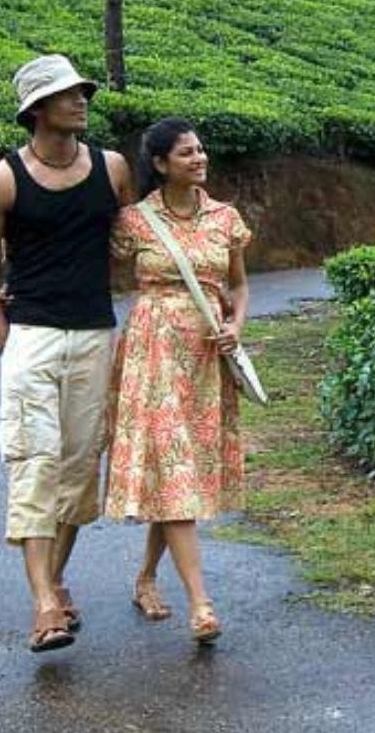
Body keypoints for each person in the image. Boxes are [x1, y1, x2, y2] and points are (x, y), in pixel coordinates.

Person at [0, 54, 133, 653]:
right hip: (31, 337)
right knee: (35, 463)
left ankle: (55, 582)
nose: (81, 100)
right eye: (66, 94)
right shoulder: (1, 180)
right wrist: (6, 342)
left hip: (93, 334)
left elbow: (129, 242)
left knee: (81, 471)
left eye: (81, 91)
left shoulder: (112, 170)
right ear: (36, 109)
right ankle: (42, 606)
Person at [106, 117, 253, 644]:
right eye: (187, 153)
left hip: (207, 357)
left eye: (201, 150)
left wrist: (234, 326)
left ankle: (146, 577)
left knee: (178, 479)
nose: (199, 158)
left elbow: (237, 286)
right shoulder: (134, 222)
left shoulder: (225, 218)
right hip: (154, 353)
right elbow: (85, 265)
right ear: (161, 163)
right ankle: (201, 603)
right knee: (174, 471)